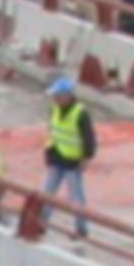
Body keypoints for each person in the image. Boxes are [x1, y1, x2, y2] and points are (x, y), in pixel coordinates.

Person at [42, 76, 97, 239]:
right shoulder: (55, 109)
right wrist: (48, 152)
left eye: (57, 96)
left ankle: (81, 229)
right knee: (47, 193)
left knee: (76, 197)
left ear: (67, 96)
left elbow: (89, 138)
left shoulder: (80, 113)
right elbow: (53, 132)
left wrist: (86, 158)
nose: (55, 99)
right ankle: (41, 222)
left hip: (73, 162)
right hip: (57, 157)